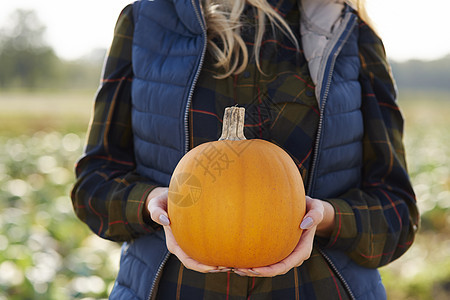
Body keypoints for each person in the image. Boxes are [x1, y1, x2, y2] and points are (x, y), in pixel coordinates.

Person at [71, 0, 420, 299]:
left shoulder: (347, 31)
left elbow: (397, 214)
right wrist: (153, 204)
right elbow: (94, 188)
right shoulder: (147, 21)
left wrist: (325, 218)